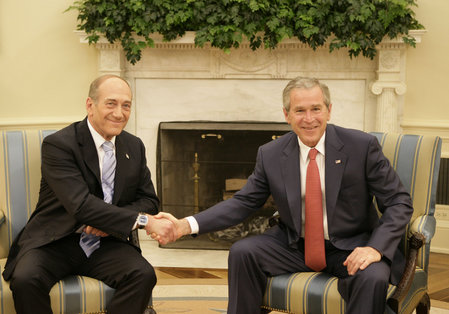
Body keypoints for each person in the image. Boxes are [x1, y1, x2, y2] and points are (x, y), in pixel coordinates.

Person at [154, 77, 414, 314]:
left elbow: (398, 201)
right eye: (299, 110)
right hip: (294, 245)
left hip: (350, 246)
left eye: (316, 109)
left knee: (372, 276)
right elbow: (243, 202)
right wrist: (184, 226)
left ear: (329, 110)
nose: (309, 118)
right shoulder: (271, 154)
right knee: (243, 252)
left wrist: (374, 248)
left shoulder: (361, 146)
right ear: (287, 115)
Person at [3, 74, 176, 314]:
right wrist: (142, 221)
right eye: (111, 103)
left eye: (126, 105)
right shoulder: (60, 145)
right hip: (56, 240)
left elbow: (149, 201)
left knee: (143, 275)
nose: (119, 113)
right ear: (90, 105)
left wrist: (110, 224)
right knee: (25, 280)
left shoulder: (133, 146)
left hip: (105, 243)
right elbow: (81, 205)